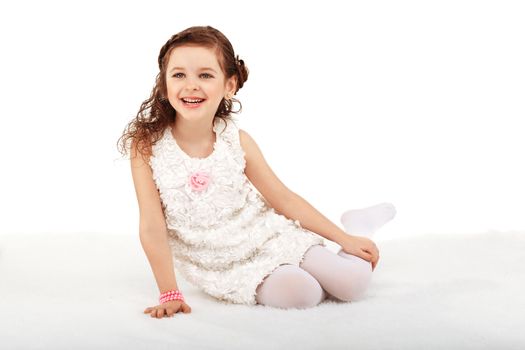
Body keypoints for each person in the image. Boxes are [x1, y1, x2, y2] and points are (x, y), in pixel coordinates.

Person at [117, 25, 396, 319]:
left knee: (351, 285)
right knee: (302, 294)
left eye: (205, 75)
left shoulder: (235, 140)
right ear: (163, 84)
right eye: (178, 75)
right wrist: (169, 292)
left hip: (267, 235)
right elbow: (151, 225)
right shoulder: (147, 146)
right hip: (220, 264)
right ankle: (311, 275)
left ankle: (358, 227)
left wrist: (344, 239)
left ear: (229, 84)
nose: (191, 85)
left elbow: (283, 199)